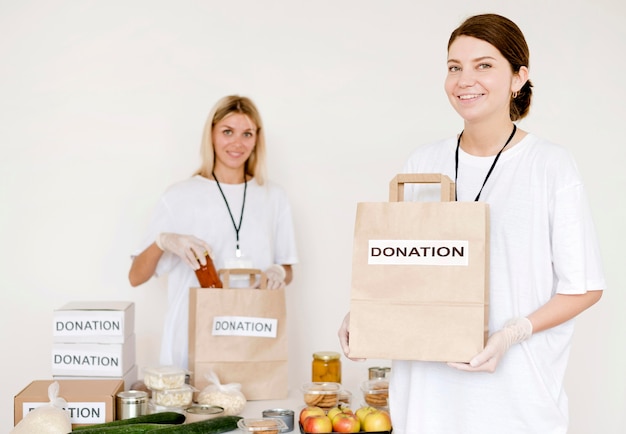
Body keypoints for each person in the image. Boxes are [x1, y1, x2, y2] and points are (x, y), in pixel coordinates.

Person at [338, 13, 604, 434]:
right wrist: (367, 312)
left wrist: (511, 333)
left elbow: (585, 286)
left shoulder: (550, 166)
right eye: (454, 67)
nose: (465, 80)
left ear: (519, 77)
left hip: (514, 399)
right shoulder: (423, 163)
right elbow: (404, 265)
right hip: (427, 398)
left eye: (484, 65)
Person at [129, 95, 299, 369]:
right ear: (211, 134)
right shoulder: (179, 195)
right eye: (227, 132)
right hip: (191, 337)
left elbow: (287, 268)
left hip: (251, 333)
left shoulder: (273, 196)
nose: (237, 143)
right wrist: (164, 241)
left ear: (257, 139)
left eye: (247, 133)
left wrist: (278, 272)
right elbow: (136, 276)